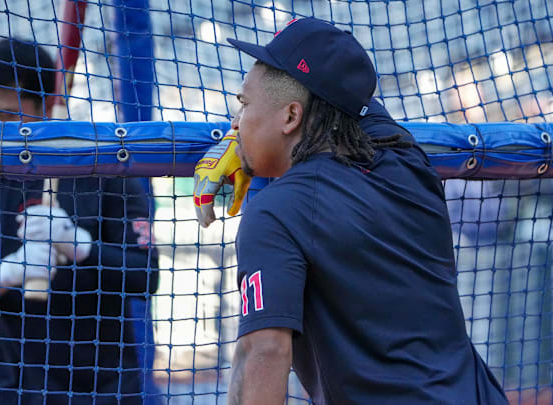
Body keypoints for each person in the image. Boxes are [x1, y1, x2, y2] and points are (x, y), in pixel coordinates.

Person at [193, 18, 509, 404]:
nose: (235, 121)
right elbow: (349, 95)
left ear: (291, 117)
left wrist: (246, 143)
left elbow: (264, 353)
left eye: (243, 105)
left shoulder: (274, 213)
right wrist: (248, 135)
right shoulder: (408, 163)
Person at [0, 38, 159, 405]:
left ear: (45, 107)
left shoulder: (104, 167)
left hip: (106, 386)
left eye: (7, 115)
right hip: (12, 384)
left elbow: (145, 276)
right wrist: (12, 270)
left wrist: (80, 245)